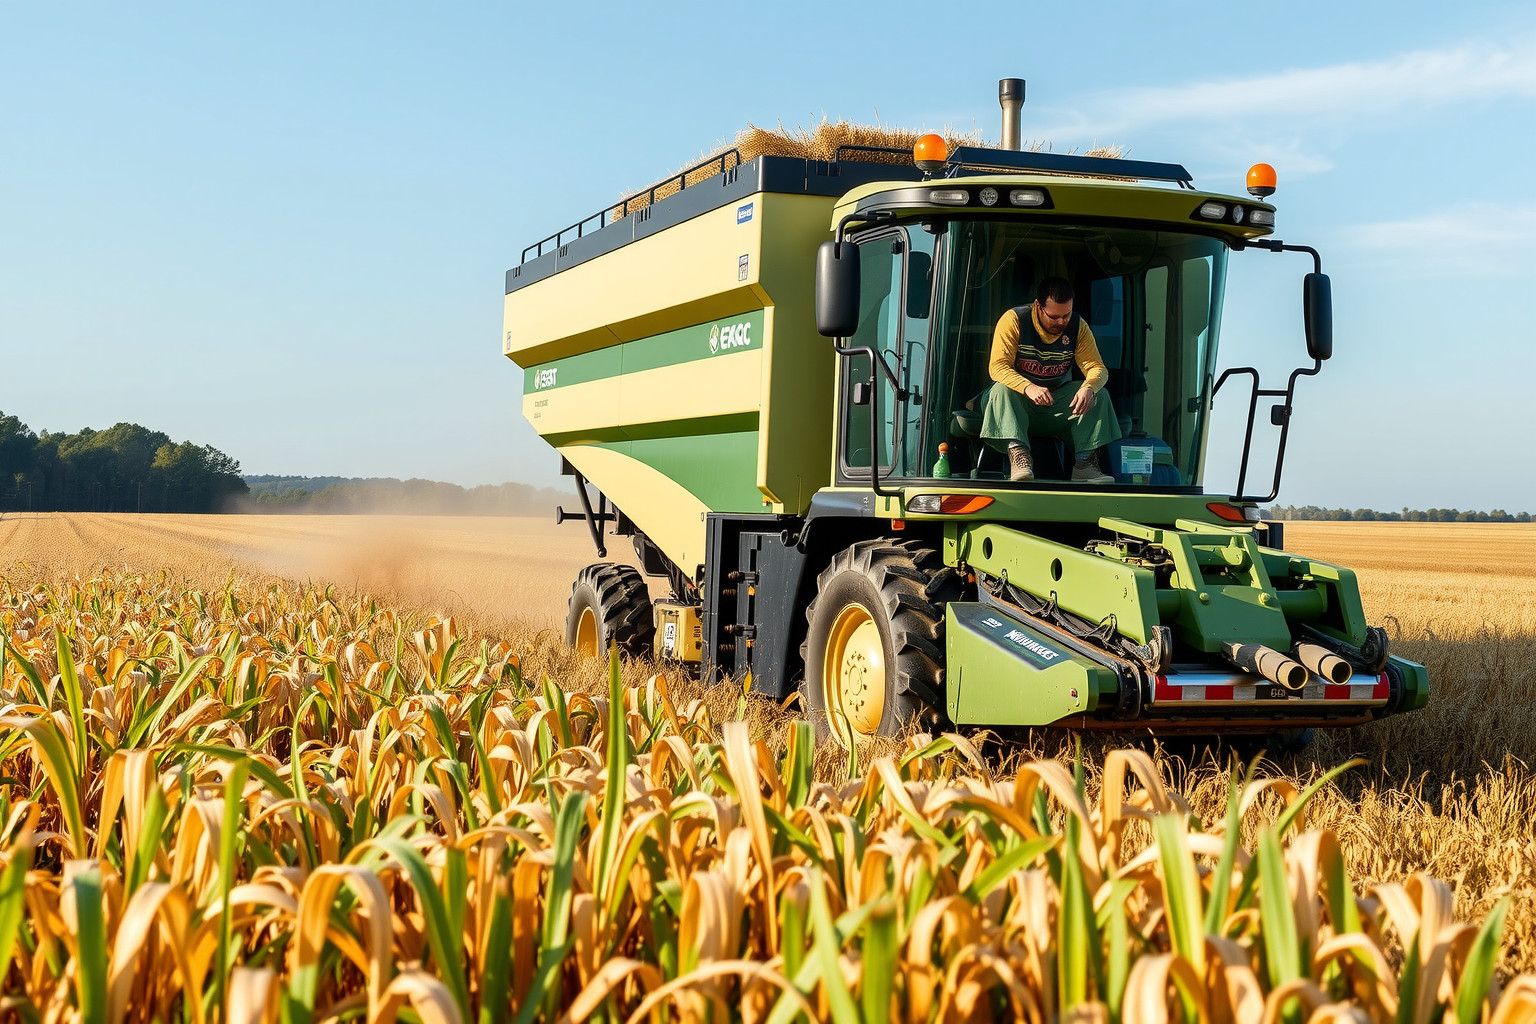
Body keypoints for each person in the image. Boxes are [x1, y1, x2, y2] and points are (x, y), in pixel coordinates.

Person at [979, 276, 1122, 483]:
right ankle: (1019, 458)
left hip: (1054, 403)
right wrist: (1028, 387)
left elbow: (1097, 368)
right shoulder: (1014, 320)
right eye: (1054, 317)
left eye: (1066, 315)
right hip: (1016, 403)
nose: (1061, 322)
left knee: (1098, 394)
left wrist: (1089, 387)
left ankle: (1085, 464)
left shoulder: (1078, 326)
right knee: (1001, 389)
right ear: (1038, 306)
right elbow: (997, 367)